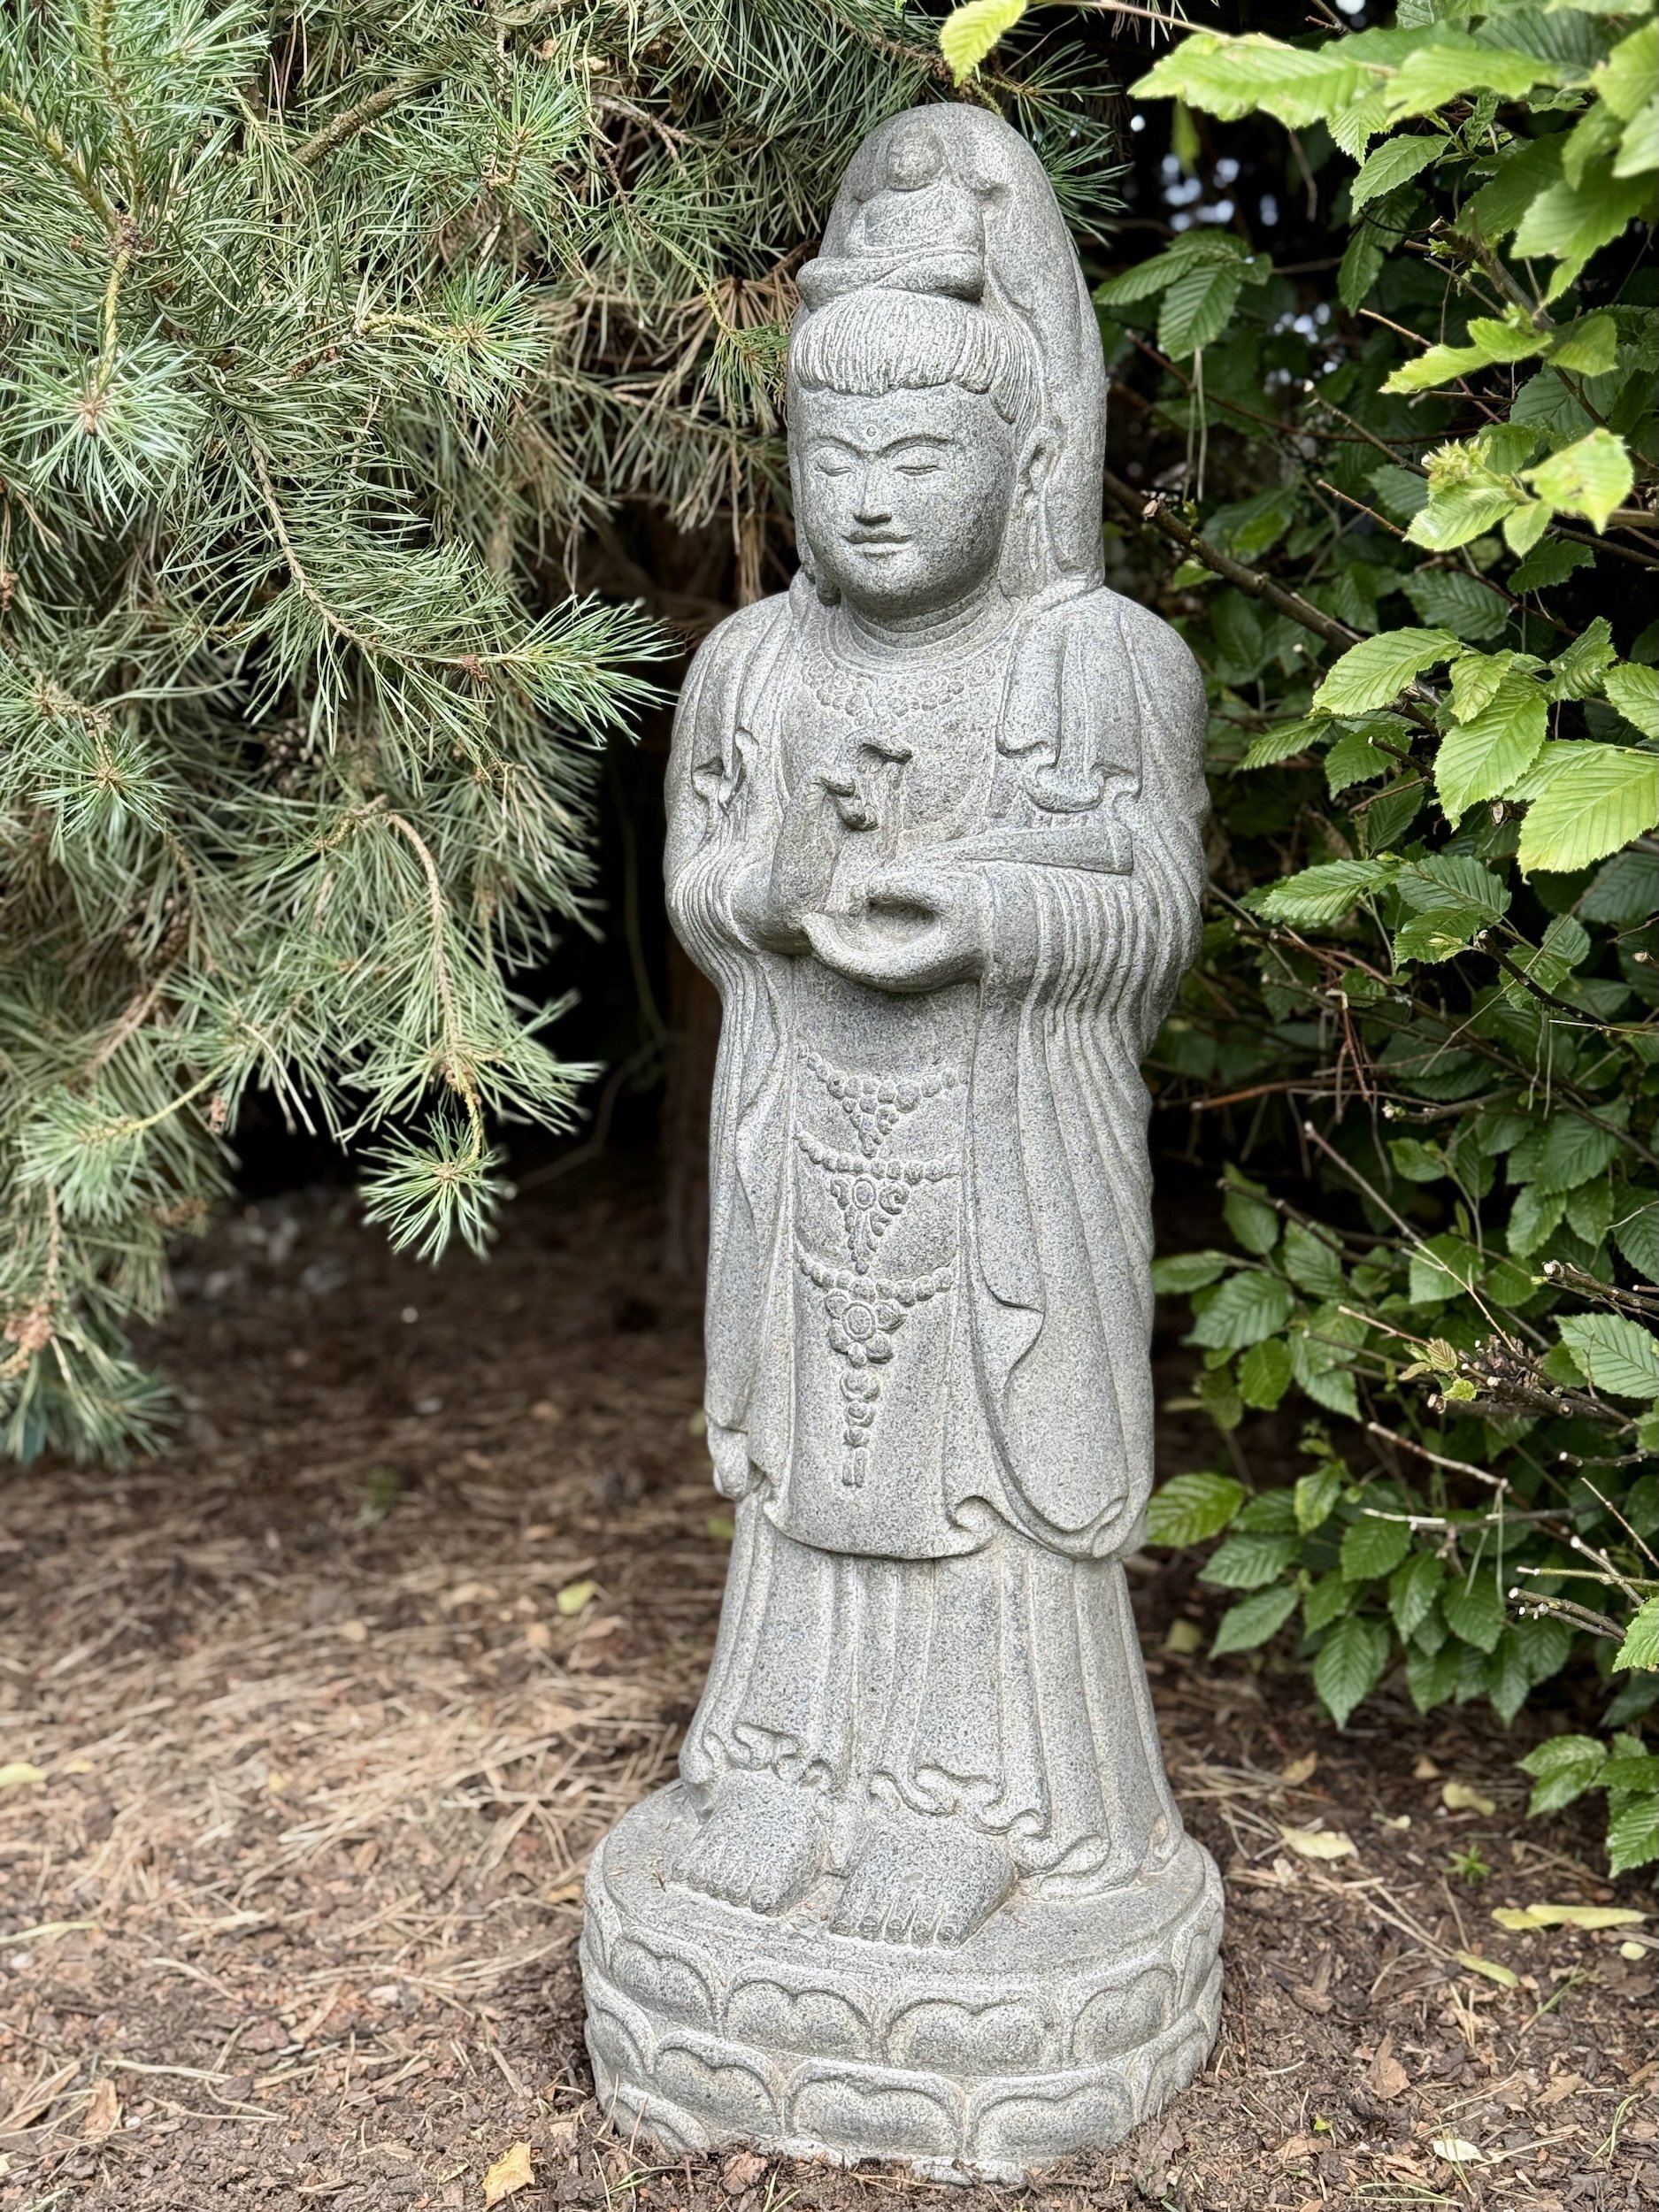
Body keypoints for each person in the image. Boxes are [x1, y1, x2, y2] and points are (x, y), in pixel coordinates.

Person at [663, 106, 1210, 1951]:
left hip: (996, 1137)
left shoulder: (1094, 660)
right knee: (818, 1450)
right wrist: (780, 884)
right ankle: (787, 1765)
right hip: (810, 1117)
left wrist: (984, 912)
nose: (872, 497)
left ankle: (974, 1796)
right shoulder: (754, 664)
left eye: (918, 455)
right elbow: (703, 890)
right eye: (835, 458)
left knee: (975, 1449)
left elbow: (1148, 917)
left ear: (1022, 451)